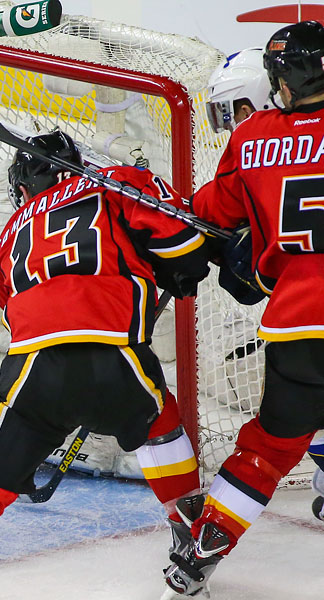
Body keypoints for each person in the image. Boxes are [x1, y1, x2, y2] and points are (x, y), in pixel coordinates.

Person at [0, 130, 213, 600]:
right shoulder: (117, 184)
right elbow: (185, 239)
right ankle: (192, 534)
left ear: (23, 188)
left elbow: (14, 305)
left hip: (32, 371)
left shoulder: (7, 237)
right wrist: (177, 268)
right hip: (116, 356)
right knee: (158, 421)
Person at [162, 21, 324, 597]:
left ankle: (202, 550)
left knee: (269, 447)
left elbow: (209, 214)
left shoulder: (253, 135)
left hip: (298, 324)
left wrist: (160, 203)